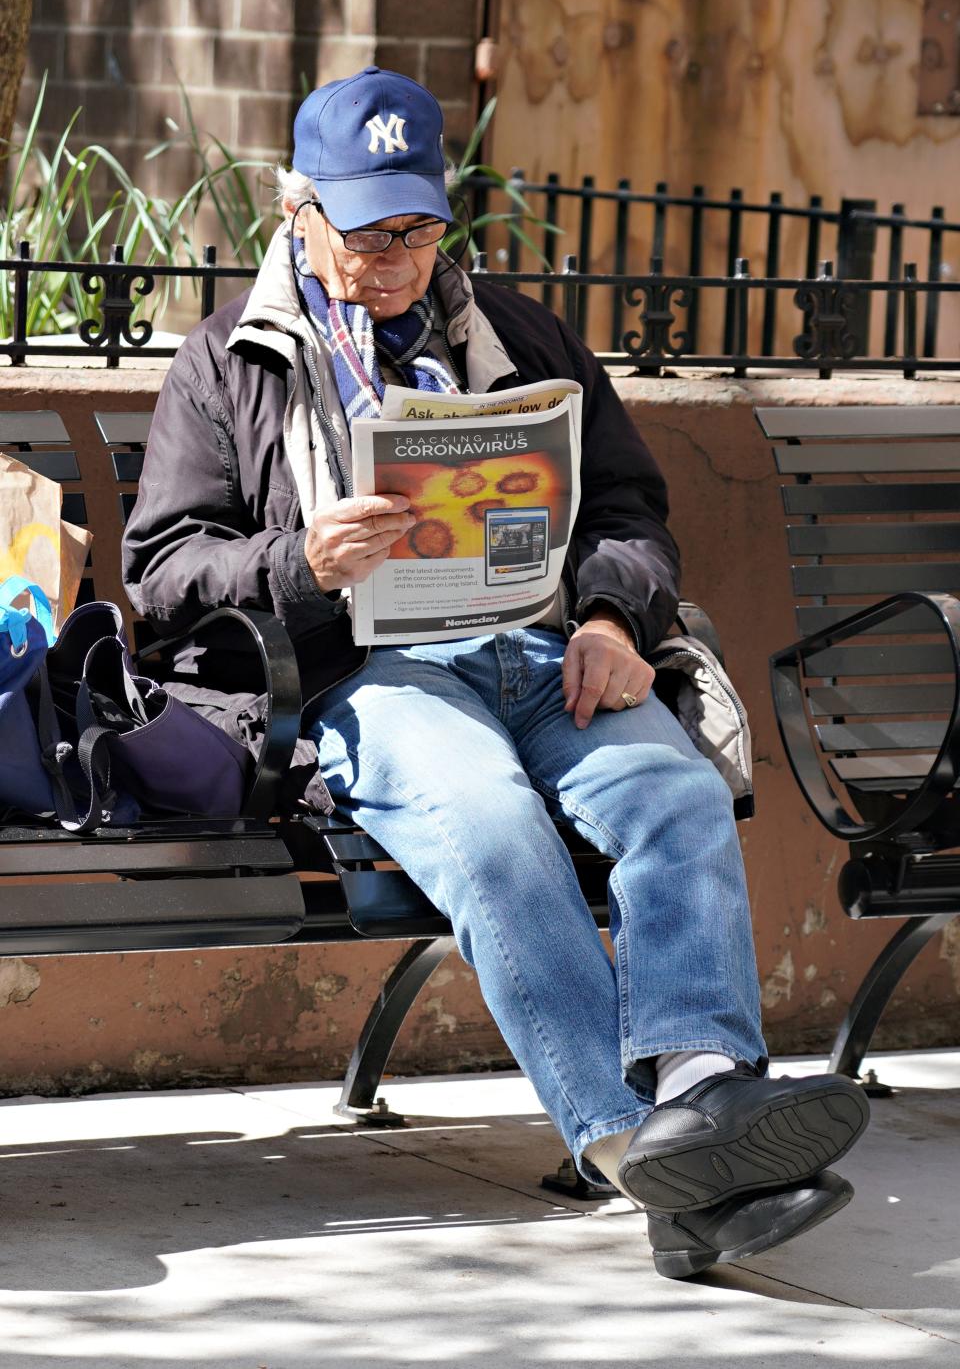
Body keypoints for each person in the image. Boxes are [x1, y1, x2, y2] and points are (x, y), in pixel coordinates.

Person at [122, 67, 869, 1279]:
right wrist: (300, 558)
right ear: (297, 211)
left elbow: (628, 507)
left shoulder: (519, 335)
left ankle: (705, 1090)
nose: (398, 257)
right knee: (492, 823)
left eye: (420, 226)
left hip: (543, 651)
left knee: (672, 790)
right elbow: (160, 573)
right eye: (369, 230)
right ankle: (640, 1151)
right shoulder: (229, 364)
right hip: (368, 677)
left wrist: (618, 619)